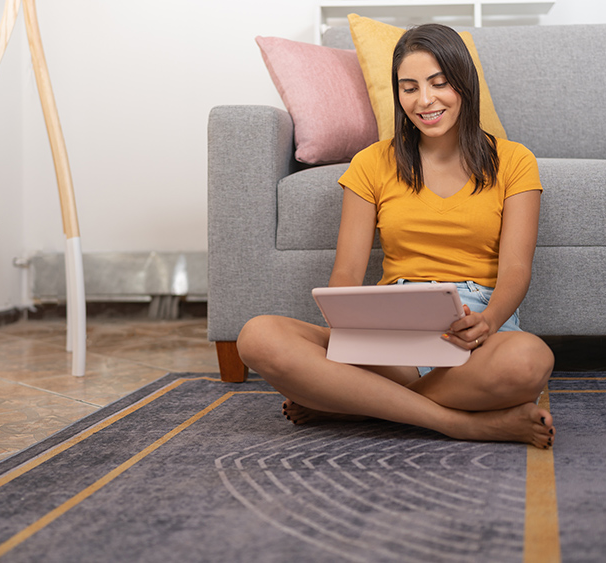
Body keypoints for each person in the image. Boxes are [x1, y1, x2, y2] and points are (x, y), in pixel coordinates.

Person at [236, 23, 555, 449]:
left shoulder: (515, 160)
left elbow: (516, 268)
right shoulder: (371, 163)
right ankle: (460, 424)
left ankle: (343, 403)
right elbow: (346, 273)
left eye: (439, 84)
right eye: (409, 88)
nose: (425, 101)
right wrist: (355, 326)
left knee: (530, 361)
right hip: (390, 336)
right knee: (257, 336)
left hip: (476, 334)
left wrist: (489, 320)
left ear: (464, 83)